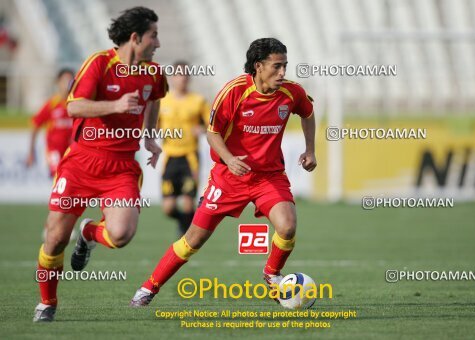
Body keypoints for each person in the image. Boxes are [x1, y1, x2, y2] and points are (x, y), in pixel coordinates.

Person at [130, 37, 317, 306]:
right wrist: (229, 159)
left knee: (287, 227)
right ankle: (148, 288)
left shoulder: (291, 92)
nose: (282, 72)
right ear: (258, 66)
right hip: (228, 177)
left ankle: (272, 275)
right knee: (192, 240)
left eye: (285, 66)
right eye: (277, 66)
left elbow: (308, 113)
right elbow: (212, 132)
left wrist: (310, 151)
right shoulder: (234, 91)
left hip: (268, 176)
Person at [33, 6, 167, 322]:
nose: (158, 44)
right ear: (135, 38)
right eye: (153, 36)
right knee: (54, 240)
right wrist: (115, 105)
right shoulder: (99, 64)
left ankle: (89, 233)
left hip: (121, 167)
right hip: (81, 162)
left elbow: (155, 97)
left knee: (121, 234)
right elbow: (74, 106)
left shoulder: (153, 73)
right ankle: (47, 303)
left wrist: (149, 136)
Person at [159, 61, 210, 236]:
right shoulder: (162, 101)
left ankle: (187, 237)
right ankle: (183, 222)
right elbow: (152, 126)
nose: (182, 79)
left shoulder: (198, 101)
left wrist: (202, 129)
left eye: (185, 75)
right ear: (172, 78)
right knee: (168, 208)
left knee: (188, 202)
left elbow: (213, 125)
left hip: (190, 158)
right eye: (179, 75)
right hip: (170, 158)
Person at [26, 69, 74, 177]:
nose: (67, 83)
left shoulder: (77, 104)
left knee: (70, 179)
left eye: (70, 80)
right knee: (58, 177)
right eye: (65, 80)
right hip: (54, 151)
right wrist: (31, 152)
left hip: (72, 151)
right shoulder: (52, 104)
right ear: (58, 82)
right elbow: (35, 125)